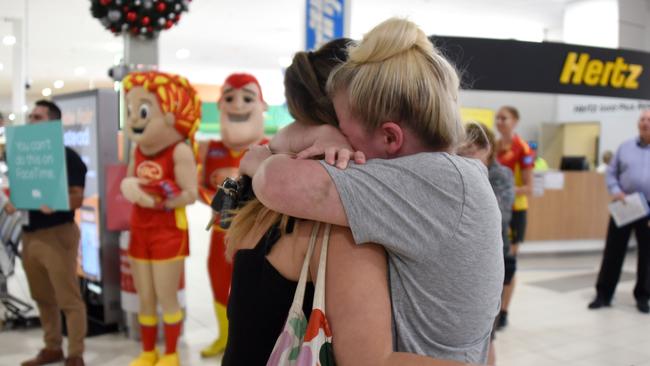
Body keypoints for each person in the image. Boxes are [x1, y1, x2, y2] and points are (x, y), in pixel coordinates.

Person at [241, 18, 503, 364]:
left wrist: (267, 155)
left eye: (346, 136)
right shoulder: (461, 175)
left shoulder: (420, 182)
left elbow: (273, 180)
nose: (342, 150)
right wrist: (326, 134)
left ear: (390, 137)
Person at [121, 71, 200, 366]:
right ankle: (147, 351)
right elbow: (131, 181)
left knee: (166, 295)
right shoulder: (138, 148)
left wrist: (159, 201)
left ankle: (170, 353)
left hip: (168, 231)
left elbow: (190, 193)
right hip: (139, 229)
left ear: (170, 114)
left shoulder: (179, 150)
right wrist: (130, 190)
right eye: (130, 111)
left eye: (142, 110)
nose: (134, 119)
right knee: (145, 297)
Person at [4, 100, 88, 366]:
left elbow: (78, 197)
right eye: (30, 116)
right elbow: (19, 190)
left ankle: (75, 354)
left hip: (58, 233)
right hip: (29, 234)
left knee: (68, 297)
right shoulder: (23, 155)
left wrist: (58, 201)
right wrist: (13, 201)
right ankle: (52, 346)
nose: (31, 120)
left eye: (37, 117)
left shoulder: (68, 157)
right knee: (41, 295)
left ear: (53, 123)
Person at [197, 73, 268, 358]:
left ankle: (249, 338)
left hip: (255, 232)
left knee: (252, 285)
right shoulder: (210, 149)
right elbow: (200, 188)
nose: (238, 105)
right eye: (230, 98)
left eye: (247, 98)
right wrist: (216, 194)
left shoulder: (270, 148)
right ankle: (223, 336)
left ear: (261, 105)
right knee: (217, 279)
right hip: (220, 231)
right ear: (220, 105)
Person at [458, 122, 515, 366]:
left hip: (492, 258)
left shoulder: (500, 175)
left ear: (487, 149)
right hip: (463, 261)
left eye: (471, 150)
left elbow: (500, 213)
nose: (466, 156)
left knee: (485, 337)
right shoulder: (458, 172)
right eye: (461, 151)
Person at [588, 110, 650, 314]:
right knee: (613, 251)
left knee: (647, 254)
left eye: (649, 120)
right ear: (637, 123)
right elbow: (611, 173)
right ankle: (603, 294)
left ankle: (643, 296)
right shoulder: (625, 147)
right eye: (642, 119)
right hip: (625, 204)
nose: (645, 123)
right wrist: (616, 191)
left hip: (649, 207)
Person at [494, 105, 534, 330]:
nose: (500, 122)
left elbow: (528, 187)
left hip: (515, 212)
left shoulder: (523, 149)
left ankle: (505, 311)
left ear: (515, 121)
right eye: (497, 118)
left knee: (509, 263)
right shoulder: (494, 146)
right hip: (495, 211)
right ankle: (492, 307)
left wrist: (504, 190)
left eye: (504, 118)